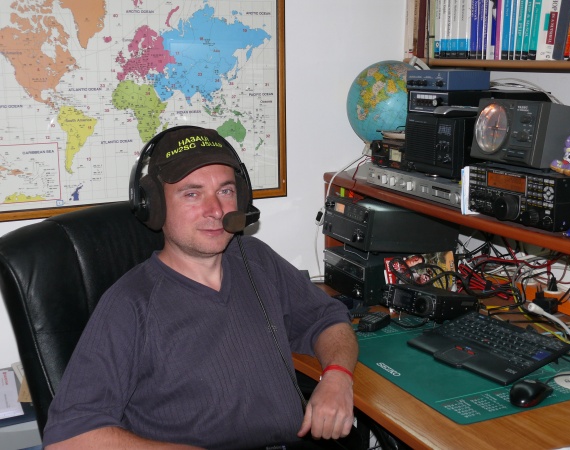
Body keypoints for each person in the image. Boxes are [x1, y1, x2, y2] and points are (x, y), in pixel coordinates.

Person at [43, 126, 358, 449]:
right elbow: (68, 439)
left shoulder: (255, 259)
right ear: (155, 206)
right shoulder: (130, 303)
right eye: (192, 194)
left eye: (225, 191)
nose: (216, 211)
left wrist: (337, 377)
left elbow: (328, 318)